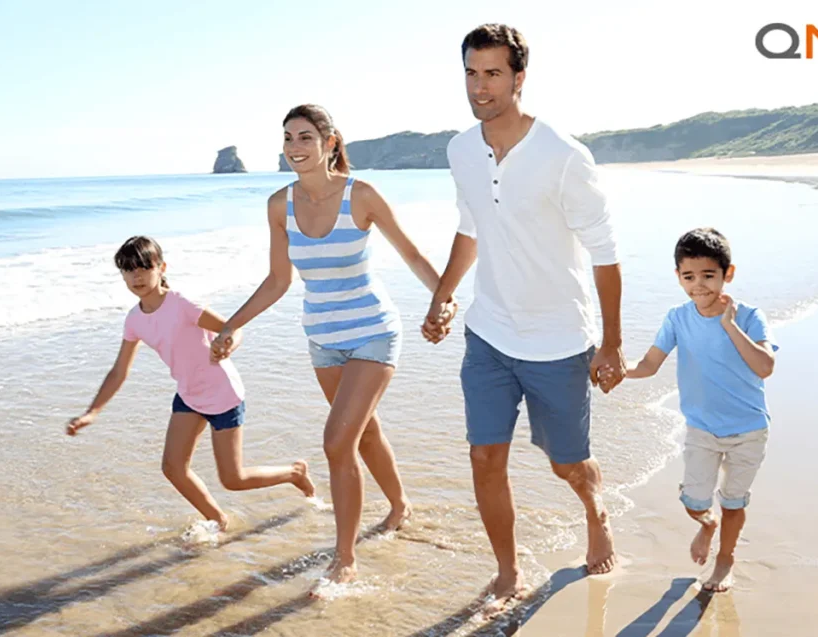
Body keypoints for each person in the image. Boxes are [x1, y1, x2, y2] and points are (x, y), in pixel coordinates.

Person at [423, 23, 626, 609]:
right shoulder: (460, 149)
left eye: (492, 73)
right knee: (484, 455)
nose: (480, 86)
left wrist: (610, 343)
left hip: (559, 339)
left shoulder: (564, 155)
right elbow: (470, 227)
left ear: (519, 77)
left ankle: (596, 507)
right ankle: (508, 570)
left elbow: (606, 253)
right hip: (489, 332)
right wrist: (442, 296)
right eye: (471, 72)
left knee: (568, 463)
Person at [211, 104, 456, 587]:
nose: (294, 147)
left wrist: (442, 301)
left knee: (336, 441)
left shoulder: (360, 195)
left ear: (330, 142)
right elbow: (278, 280)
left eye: (304, 137)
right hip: (322, 340)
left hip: (373, 331)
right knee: (362, 434)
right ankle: (401, 506)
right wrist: (231, 325)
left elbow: (411, 252)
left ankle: (345, 558)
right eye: (287, 138)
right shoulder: (278, 206)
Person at [67, 236, 315, 532]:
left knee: (232, 479)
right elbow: (119, 370)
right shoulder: (134, 320)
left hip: (222, 394)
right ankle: (217, 519)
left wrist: (227, 345)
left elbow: (231, 328)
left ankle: (295, 472)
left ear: (161, 268)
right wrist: (92, 412)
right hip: (189, 395)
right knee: (172, 467)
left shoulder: (181, 303)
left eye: (144, 267)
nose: (137, 276)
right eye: (128, 269)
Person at [622, 227, 778, 592]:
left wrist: (730, 326)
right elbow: (648, 365)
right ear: (677, 276)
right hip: (701, 430)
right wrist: (614, 372)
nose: (699, 286)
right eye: (689, 277)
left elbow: (765, 366)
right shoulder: (677, 318)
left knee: (734, 502)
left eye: (708, 276)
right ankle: (707, 525)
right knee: (694, 501)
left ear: (728, 274)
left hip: (748, 429)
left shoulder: (750, 316)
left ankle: (725, 560)